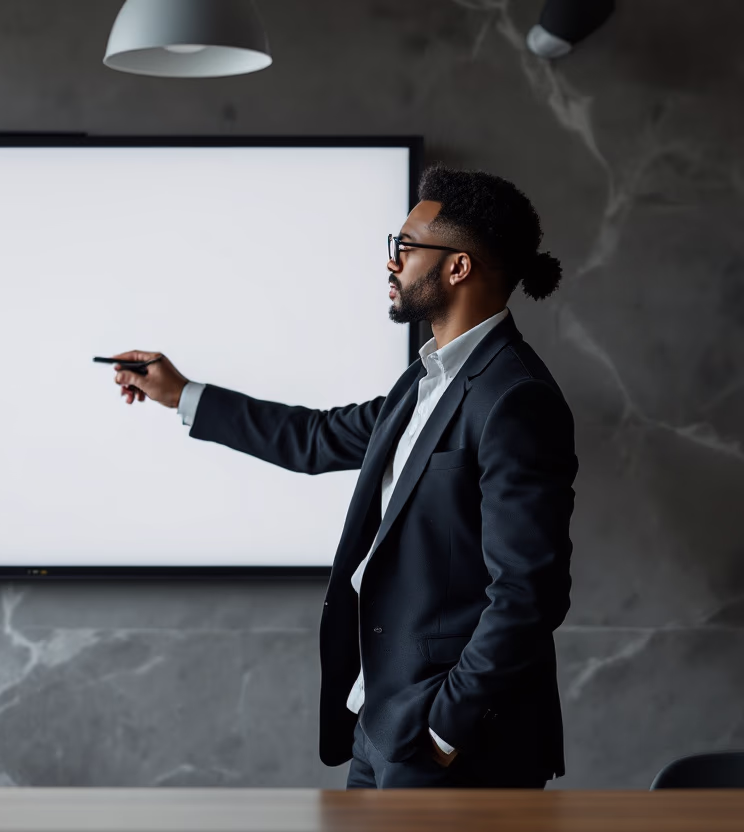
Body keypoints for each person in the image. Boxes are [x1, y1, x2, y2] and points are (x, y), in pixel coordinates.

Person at [107, 165, 577, 788]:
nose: (392, 263)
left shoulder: (515, 397)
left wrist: (444, 730)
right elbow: (316, 437)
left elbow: (528, 591)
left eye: (405, 248)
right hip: (379, 720)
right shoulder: (425, 380)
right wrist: (182, 394)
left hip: (453, 740)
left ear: (458, 267)